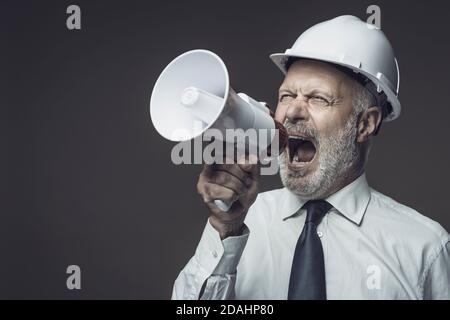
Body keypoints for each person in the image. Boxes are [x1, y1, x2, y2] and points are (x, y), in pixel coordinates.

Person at [171, 15, 450, 300]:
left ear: (366, 124)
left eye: (318, 99)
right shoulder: (241, 223)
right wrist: (225, 229)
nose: (292, 112)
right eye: (286, 96)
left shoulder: (424, 248)